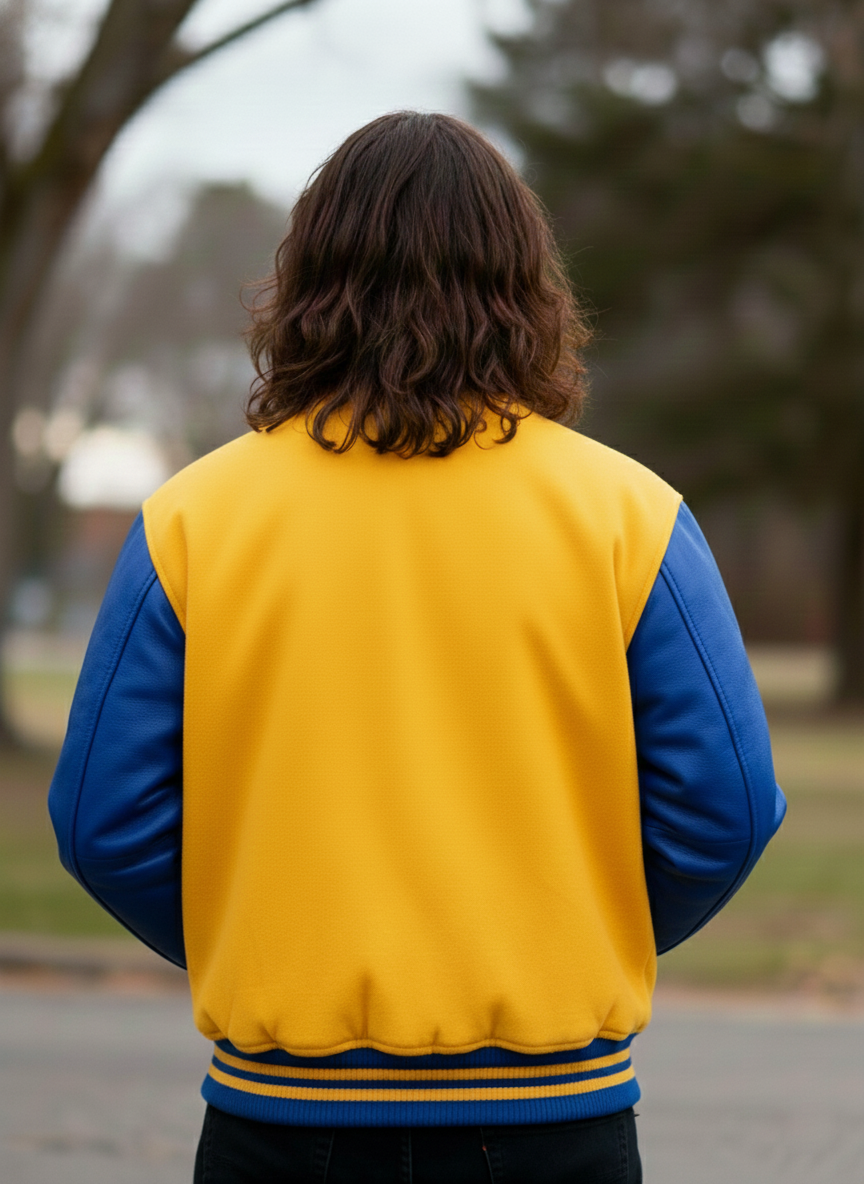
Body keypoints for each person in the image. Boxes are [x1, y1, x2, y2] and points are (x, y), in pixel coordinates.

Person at [49, 111, 786, 1183]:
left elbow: (101, 821)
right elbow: (727, 807)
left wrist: (269, 942)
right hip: (554, 1121)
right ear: (526, 283)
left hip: (280, 1121)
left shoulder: (191, 519)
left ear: (307, 282)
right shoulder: (632, 515)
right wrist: (565, 935)